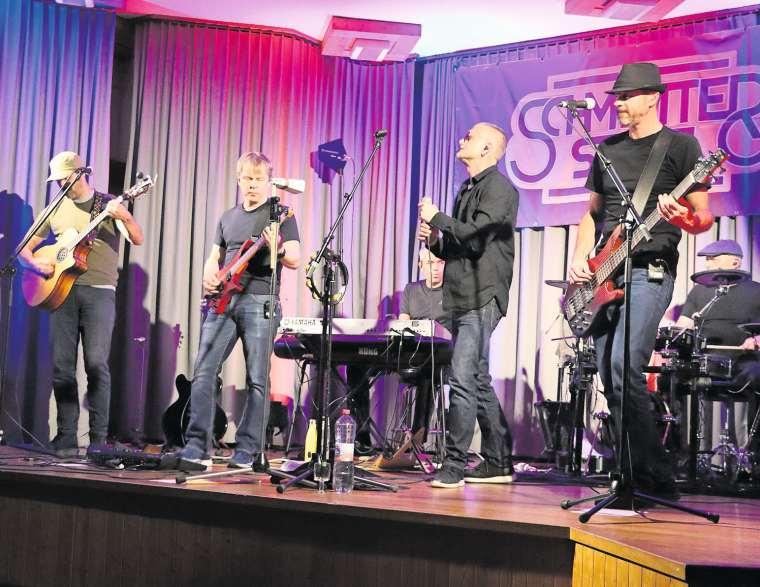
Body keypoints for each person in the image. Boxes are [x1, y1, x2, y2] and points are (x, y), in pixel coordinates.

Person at [568, 63, 714, 498]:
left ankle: (655, 472)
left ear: (653, 98)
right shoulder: (607, 150)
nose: (619, 103)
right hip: (603, 273)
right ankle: (634, 473)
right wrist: (580, 257)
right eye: (617, 96)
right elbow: (592, 214)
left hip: (650, 270)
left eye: (628, 95)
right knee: (608, 375)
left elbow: (703, 217)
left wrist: (680, 217)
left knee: (623, 366)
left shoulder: (681, 147)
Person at [178, 152, 300, 470]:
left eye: (258, 179)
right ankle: (197, 446)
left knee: (257, 377)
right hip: (223, 300)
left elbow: (295, 257)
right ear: (238, 179)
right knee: (204, 371)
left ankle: (247, 449)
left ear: (268, 182)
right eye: (247, 178)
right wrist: (209, 274)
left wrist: (276, 247)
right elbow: (214, 256)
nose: (252, 185)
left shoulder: (280, 215)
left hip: (260, 300)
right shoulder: (228, 217)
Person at [19, 151, 144, 456]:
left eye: (65, 178)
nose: (61, 184)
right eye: (57, 180)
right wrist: (36, 265)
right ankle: (66, 436)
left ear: (79, 173)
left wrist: (124, 216)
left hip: (99, 291)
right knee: (62, 366)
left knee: (96, 364)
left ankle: (98, 440)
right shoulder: (55, 208)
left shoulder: (107, 203)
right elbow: (23, 249)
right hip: (60, 291)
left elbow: (138, 238)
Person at [418, 121, 518, 488]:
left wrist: (437, 217)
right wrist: (434, 240)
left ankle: (454, 466)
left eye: (470, 136)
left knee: (461, 378)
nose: (462, 139)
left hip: (483, 294)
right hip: (461, 295)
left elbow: (476, 238)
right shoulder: (467, 188)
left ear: (488, 149)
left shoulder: (499, 189)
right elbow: (459, 247)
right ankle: (499, 461)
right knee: (475, 378)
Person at [345, 247, 446, 453]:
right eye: (429, 263)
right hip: (408, 352)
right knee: (356, 366)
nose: (435, 268)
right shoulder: (411, 290)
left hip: (437, 356)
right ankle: (362, 438)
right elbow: (403, 324)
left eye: (440, 263)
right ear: (421, 266)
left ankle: (417, 441)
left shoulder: (452, 292)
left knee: (428, 372)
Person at [674, 239, 760, 448]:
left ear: (735, 262)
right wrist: (672, 338)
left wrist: (756, 339)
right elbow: (683, 326)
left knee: (754, 374)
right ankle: (690, 450)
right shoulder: (699, 291)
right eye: (708, 259)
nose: (708, 264)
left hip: (744, 359)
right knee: (675, 375)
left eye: (713, 258)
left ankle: (746, 451)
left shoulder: (756, 291)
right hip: (706, 359)